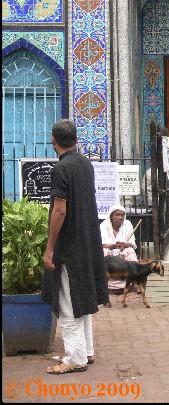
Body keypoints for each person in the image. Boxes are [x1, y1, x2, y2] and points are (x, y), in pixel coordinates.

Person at [42, 119, 109, 375]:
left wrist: (50, 248)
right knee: (80, 296)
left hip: (68, 245)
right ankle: (86, 350)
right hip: (87, 241)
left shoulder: (61, 169)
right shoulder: (84, 163)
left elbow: (59, 210)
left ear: (53, 140)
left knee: (67, 302)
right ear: (76, 139)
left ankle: (75, 357)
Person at [100, 205, 139, 294]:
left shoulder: (127, 224)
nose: (120, 218)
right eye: (117, 215)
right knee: (103, 252)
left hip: (123, 250)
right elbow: (101, 244)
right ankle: (104, 284)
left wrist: (124, 245)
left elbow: (132, 244)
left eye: (122, 215)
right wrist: (113, 246)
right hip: (110, 251)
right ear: (111, 216)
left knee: (130, 251)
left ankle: (135, 282)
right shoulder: (103, 225)